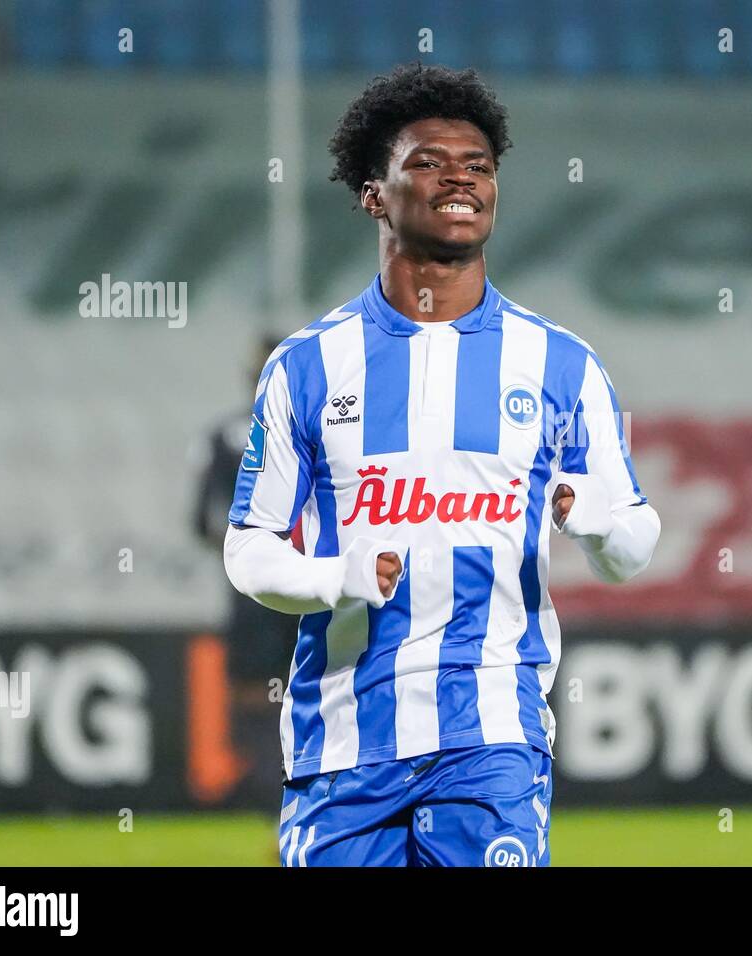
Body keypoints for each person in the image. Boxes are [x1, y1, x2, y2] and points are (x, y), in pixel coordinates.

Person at [222, 62, 660, 866]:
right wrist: (335, 577)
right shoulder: (307, 367)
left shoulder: (560, 365)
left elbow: (635, 540)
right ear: (373, 193)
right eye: (427, 161)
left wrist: (600, 528)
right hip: (343, 738)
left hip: (492, 732)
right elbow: (247, 548)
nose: (460, 176)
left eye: (479, 165)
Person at [192, 333, 300, 808]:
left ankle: (274, 814)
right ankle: (310, 812)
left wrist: (247, 550)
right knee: (316, 693)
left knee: (257, 699)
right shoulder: (318, 429)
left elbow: (201, 521)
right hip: (308, 584)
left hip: (252, 589)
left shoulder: (224, 435)